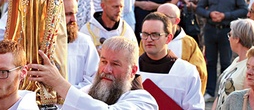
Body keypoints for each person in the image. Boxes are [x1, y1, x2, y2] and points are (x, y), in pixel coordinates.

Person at [27, 36, 159, 109]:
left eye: (115, 64)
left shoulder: (144, 101)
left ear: (133, 71)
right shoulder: (87, 91)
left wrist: (59, 83)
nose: (107, 70)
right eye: (103, 61)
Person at [196, 0, 248, 101]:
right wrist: (209, 13)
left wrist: (225, 15)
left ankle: (226, 92)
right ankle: (210, 92)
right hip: (211, 29)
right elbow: (199, 7)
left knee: (226, 63)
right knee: (211, 62)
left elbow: (244, 10)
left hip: (228, 31)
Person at [139, 12, 204, 109]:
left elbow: (195, 107)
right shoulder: (130, 68)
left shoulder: (187, 71)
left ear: (168, 38)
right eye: (145, 34)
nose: (149, 39)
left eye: (155, 34)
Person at [156, 3, 207, 94]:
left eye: (165, 16)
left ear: (176, 21)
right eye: (157, 16)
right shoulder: (148, 39)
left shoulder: (189, 43)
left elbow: (199, 73)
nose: (159, 20)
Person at [212, 19, 254, 110]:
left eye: (230, 35)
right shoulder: (237, 60)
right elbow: (221, 93)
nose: (228, 38)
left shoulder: (251, 67)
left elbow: (248, 102)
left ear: (237, 39)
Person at [63, 0, 99, 88]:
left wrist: (67, 93)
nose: (74, 19)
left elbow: (92, 79)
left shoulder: (84, 42)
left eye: (75, 13)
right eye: (68, 14)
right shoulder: (38, 44)